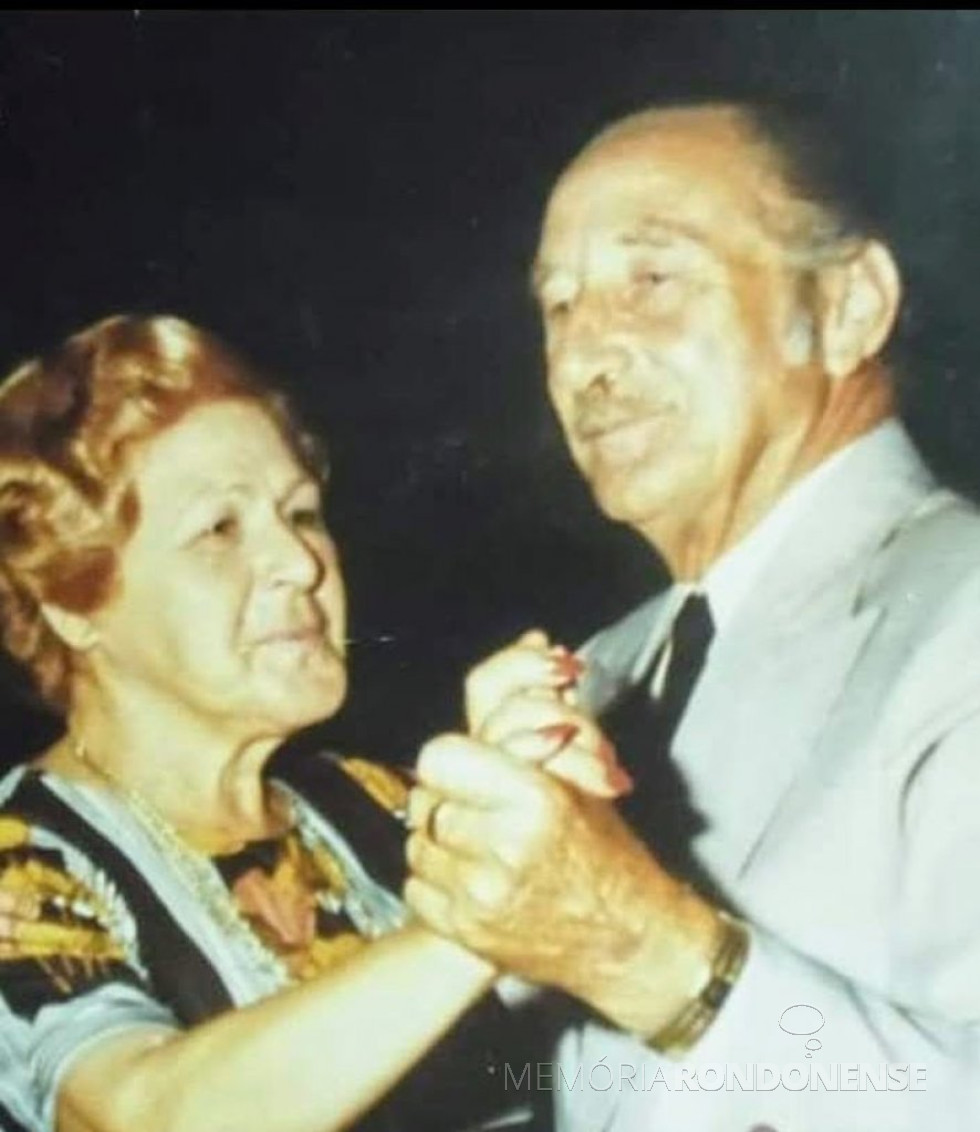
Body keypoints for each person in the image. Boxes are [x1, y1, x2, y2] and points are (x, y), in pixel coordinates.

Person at [402, 102, 980, 1130]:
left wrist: (644, 952)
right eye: (559, 305)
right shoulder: (602, 671)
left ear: (849, 306)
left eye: (653, 280)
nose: (583, 359)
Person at [0, 314, 624, 1132]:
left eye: (301, 514)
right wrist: (486, 909)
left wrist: (555, 807)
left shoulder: (384, 803)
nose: (302, 564)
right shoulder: (24, 863)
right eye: (220, 529)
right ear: (71, 602)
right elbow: (146, 1118)